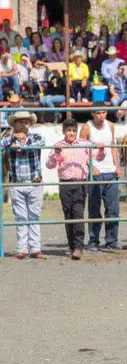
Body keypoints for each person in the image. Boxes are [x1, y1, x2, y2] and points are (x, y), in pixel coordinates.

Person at [46, 118, 105, 260]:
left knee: (78, 214)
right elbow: (49, 165)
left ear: (76, 131)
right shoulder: (58, 145)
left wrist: (101, 149)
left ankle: (79, 246)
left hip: (80, 183)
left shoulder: (84, 144)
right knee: (68, 215)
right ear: (64, 132)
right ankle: (71, 244)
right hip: (65, 183)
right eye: (68, 130)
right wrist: (55, 153)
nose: (71, 133)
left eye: (73, 130)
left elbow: (98, 157)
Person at [1, 111, 46, 259]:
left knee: (33, 216)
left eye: (26, 122)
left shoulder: (36, 137)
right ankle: (22, 249)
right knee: (21, 217)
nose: (23, 124)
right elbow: (1, 144)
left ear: (29, 124)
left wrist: (22, 146)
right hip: (18, 183)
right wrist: (13, 139)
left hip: (34, 182)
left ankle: (35, 248)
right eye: (20, 122)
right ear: (14, 124)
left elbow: (42, 143)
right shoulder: (8, 138)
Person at [79, 109, 122, 251]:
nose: (101, 116)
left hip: (110, 171)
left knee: (113, 208)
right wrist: (90, 167)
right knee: (94, 208)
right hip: (95, 172)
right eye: (98, 113)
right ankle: (93, 240)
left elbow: (113, 147)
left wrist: (117, 166)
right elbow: (81, 150)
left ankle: (112, 240)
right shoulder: (87, 127)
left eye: (103, 112)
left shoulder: (110, 125)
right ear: (92, 114)